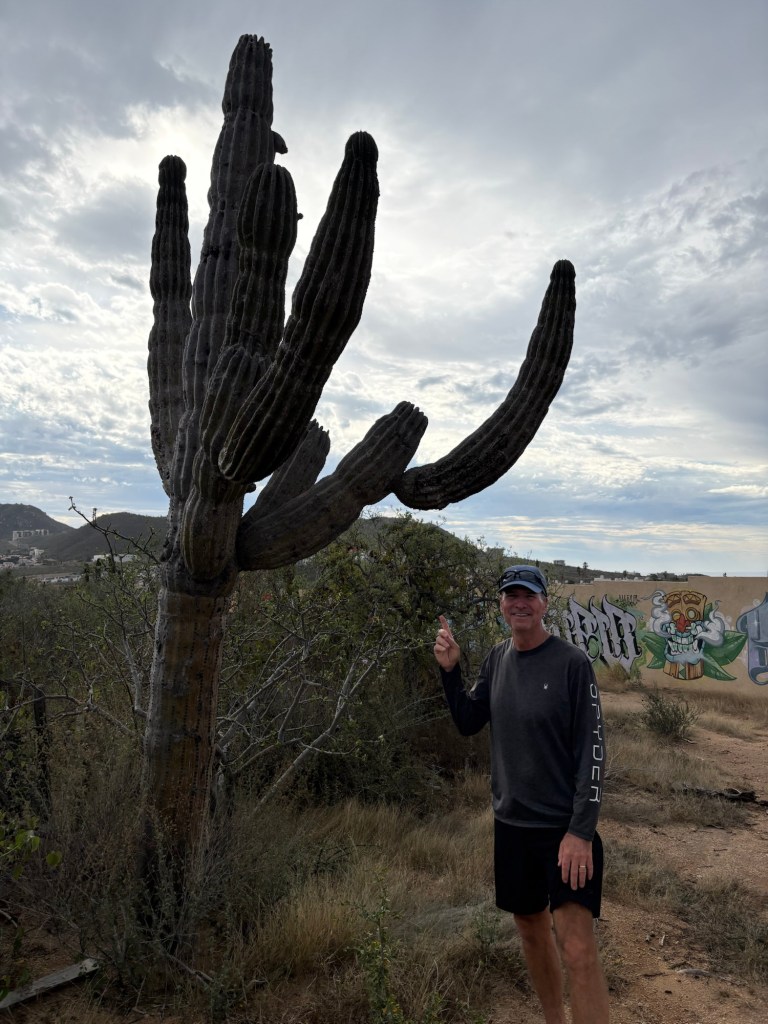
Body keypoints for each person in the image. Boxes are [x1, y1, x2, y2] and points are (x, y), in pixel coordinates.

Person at [434, 564, 609, 1024]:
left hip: (563, 830)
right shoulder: (497, 659)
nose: (520, 603)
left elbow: (593, 752)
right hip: (512, 825)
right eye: (511, 595)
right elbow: (468, 721)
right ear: (501, 605)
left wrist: (580, 832)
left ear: (544, 603)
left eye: (529, 595)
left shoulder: (572, 664)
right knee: (531, 931)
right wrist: (450, 672)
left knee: (578, 949)